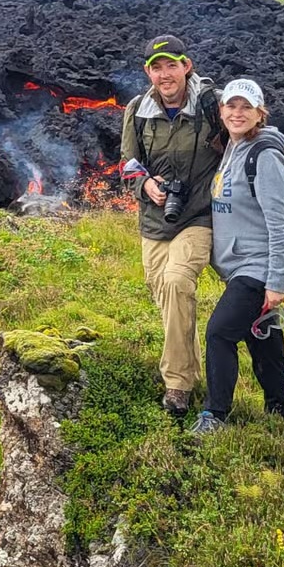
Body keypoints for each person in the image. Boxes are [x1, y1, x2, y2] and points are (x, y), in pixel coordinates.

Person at [119, 33, 226, 417]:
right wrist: (146, 184)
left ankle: (177, 385)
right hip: (154, 218)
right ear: (148, 72)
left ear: (187, 66)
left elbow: (248, 130)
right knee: (166, 295)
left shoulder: (212, 103)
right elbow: (128, 163)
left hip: (199, 214)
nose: (165, 75)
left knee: (178, 281)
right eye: (156, 67)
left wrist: (283, 151)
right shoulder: (137, 110)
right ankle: (190, 368)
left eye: (172, 65)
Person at [191, 77, 284, 435]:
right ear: (221, 111)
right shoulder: (232, 147)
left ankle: (214, 417)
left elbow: (283, 224)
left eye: (246, 107)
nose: (237, 113)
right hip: (239, 266)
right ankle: (279, 421)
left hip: (258, 267)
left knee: (219, 333)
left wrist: (278, 282)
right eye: (231, 106)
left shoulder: (265, 156)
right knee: (264, 343)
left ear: (259, 113)